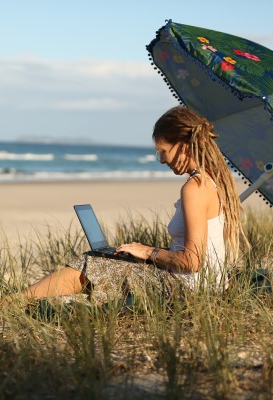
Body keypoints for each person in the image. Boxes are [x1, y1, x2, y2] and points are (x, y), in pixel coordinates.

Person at [22, 106, 243, 303]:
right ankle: (22, 300)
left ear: (183, 147)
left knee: (91, 261)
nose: (163, 160)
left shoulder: (195, 188)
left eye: (163, 152)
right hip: (204, 285)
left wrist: (149, 252)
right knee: (107, 260)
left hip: (189, 289)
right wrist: (148, 254)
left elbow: (192, 261)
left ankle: (15, 302)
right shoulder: (211, 181)